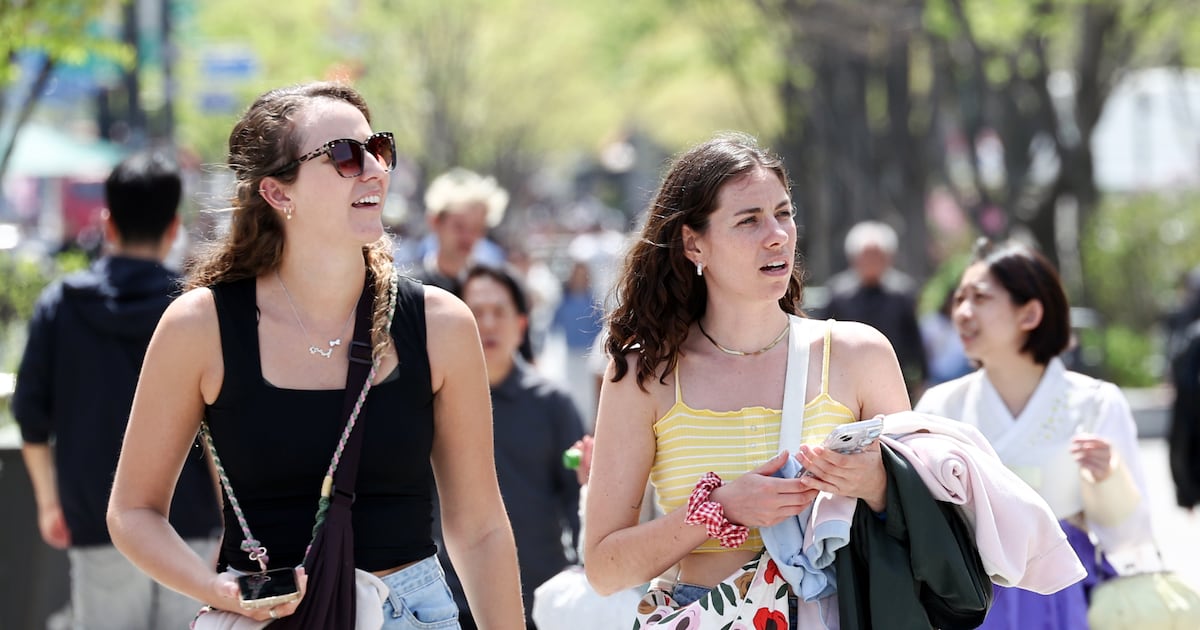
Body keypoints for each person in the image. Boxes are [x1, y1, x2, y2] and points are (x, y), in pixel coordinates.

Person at [105, 82, 524, 628]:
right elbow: (133, 511)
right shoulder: (200, 326)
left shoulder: (440, 324)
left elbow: (480, 527)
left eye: (379, 149)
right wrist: (218, 589)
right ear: (280, 194)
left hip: (412, 612)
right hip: (265, 616)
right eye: (346, 156)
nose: (374, 169)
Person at [582, 133, 915, 626]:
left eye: (784, 213)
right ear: (695, 243)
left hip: (840, 612)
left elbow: (920, 518)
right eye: (749, 220)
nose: (777, 234)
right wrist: (718, 509)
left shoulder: (860, 354)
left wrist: (877, 484)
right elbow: (605, 569)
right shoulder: (644, 373)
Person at [11, 148, 222, 630]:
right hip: (187, 526)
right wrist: (228, 521)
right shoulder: (196, 310)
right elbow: (220, 425)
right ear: (174, 228)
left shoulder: (61, 306)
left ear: (108, 223)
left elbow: (31, 417)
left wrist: (49, 504)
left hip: (95, 518)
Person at [915, 238, 1154, 629]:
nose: (962, 312)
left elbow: (1132, 538)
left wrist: (1109, 479)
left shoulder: (1095, 403)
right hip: (969, 601)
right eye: (958, 299)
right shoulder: (941, 407)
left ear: (1030, 313)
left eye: (980, 297)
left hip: (1062, 599)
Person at [439, 264, 584, 629]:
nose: (487, 324)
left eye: (498, 312)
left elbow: (577, 497)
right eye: (475, 312)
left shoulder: (552, 403)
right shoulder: (432, 404)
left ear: (521, 325)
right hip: (453, 603)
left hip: (542, 600)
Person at [822, 220, 928, 398]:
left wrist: (923, 377)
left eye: (877, 256)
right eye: (866, 256)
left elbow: (914, 340)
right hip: (846, 378)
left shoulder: (902, 293)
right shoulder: (839, 294)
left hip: (893, 376)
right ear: (854, 258)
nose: (872, 262)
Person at [410, 167, 508, 296]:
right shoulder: (411, 288)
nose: (467, 237)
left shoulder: (493, 289)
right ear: (435, 222)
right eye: (459, 226)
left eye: (476, 228)